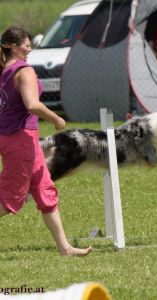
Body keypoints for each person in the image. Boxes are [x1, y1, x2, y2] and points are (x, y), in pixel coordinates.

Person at [0, 26, 92, 257]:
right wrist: (57, 118)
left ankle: (65, 249)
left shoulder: (4, 70)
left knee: (45, 191)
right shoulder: (24, 70)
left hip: (17, 139)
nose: (30, 49)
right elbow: (32, 104)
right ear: (12, 46)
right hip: (20, 139)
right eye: (26, 45)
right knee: (11, 199)